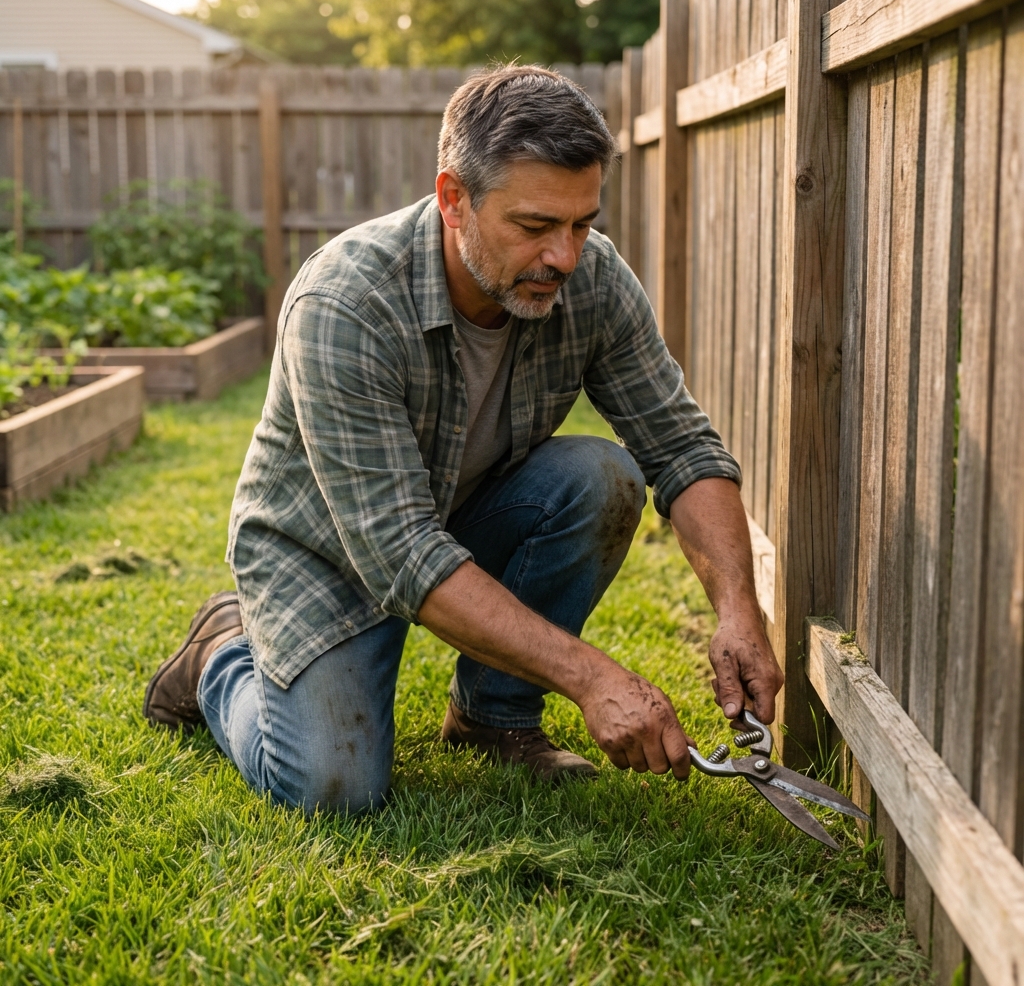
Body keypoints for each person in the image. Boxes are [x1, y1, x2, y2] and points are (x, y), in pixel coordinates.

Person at [143, 64, 783, 813]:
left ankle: (493, 718)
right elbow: (400, 549)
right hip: (326, 552)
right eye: (536, 226)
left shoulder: (591, 280)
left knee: (602, 476)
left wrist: (740, 608)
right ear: (454, 199)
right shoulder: (344, 303)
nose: (565, 257)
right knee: (331, 787)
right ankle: (221, 653)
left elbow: (679, 446)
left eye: (583, 224)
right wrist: (589, 677)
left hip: (458, 513)